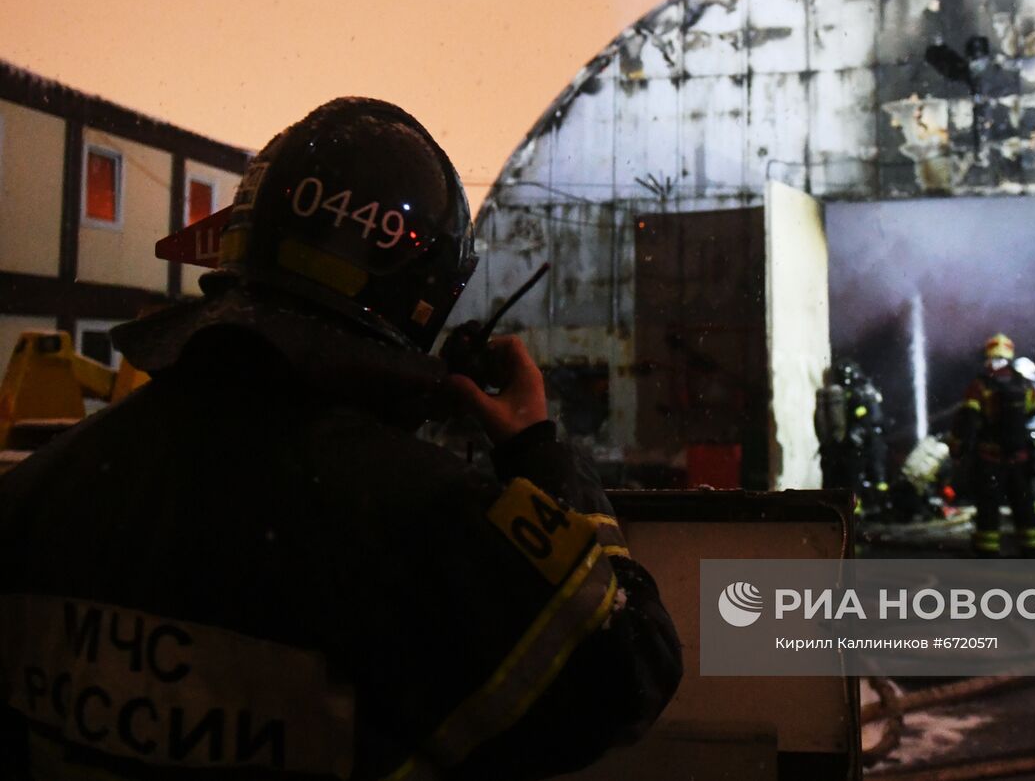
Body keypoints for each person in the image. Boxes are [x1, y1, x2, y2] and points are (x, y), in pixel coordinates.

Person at [0, 98, 681, 779]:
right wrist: (537, 451)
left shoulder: (34, 494)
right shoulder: (425, 525)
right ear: (425, 295)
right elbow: (627, 666)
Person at [954, 333, 1035, 556]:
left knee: (988, 506)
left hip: (990, 457)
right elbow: (1033, 410)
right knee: (1023, 506)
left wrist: (960, 446)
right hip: (1019, 457)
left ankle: (987, 551)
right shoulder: (1024, 383)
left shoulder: (981, 384)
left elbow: (969, 418)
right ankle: (1032, 548)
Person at [814, 359, 888, 515]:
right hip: (864, 442)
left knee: (854, 475)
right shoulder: (864, 391)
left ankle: (860, 506)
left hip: (854, 443)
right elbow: (871, 418)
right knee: (867, 474)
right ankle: (872, 506)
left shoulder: (854, 392)